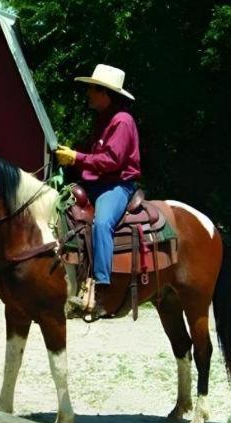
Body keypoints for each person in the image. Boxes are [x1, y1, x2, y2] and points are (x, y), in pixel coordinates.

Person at [54, 64, 141, 317]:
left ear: (105, 92)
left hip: (117, 185)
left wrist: (76, 158)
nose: (88, 93)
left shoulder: (122, 121)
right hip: (97, 182)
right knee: (61, 207)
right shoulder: (103, 120)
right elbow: (94, 156)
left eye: (92, 89)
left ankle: (102, 287)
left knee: (102, 223)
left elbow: (112, 161)